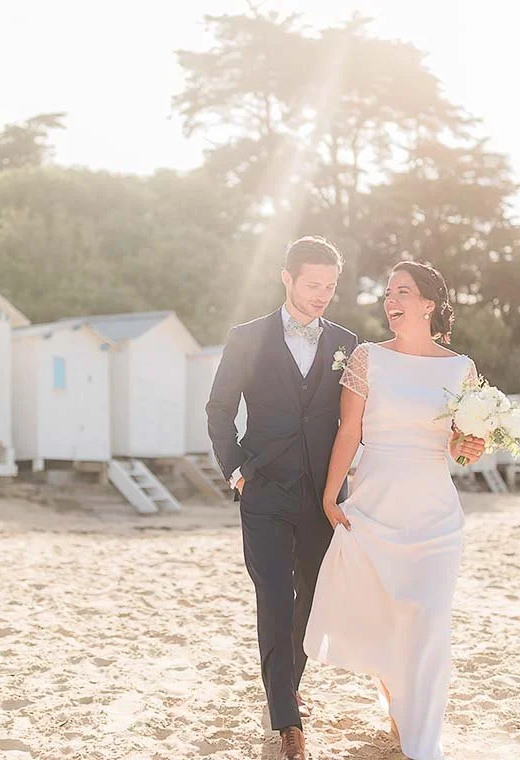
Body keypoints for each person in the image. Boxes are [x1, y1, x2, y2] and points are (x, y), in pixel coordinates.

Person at [302, 260, 485, 760]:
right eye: (387, 293)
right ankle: (397, 706)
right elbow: (349, 431)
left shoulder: (460, 368)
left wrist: (474, 442)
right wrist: (329, 493)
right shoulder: (367, 358)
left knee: (427, 618)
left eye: (401, 291)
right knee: (388, 615)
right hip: (375, 504)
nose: (390, 300)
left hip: (435, 513)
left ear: (428, 303)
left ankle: (422, 738)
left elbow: (461, 452)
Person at [205, 236, 358, 760]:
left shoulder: (347, 342)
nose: (322, 295)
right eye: (313, 285)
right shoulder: (246, 338)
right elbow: (219, 409)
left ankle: (286, 682)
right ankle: (286, 721)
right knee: (273, 595)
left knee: (312, 596)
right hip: (264, 489)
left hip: (321, 494)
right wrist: (237, 473)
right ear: (287, 279)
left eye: (330, 287)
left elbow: (356, 418)